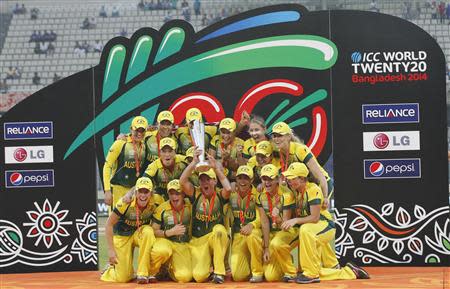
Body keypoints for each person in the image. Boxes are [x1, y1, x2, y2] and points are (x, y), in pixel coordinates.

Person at [281, 163, 370, 283]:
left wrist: (295, 220)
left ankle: (310, 274)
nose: (289, 181)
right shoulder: (295, 191)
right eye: (288, 178)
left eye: (292, 178)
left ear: (302, 179)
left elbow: (315, 218)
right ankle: (350, 272)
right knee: (316, 269)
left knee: (305, 229)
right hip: (313, 228)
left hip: (325, 225)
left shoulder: (313, 189)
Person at [180, 149, 231, 283]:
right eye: (202, 180)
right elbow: (182, 181)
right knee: (199, 276)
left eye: (208, 179)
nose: (204, 183)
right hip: (199, 241)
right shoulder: (195, 193)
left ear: (214, 181)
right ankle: (209, 267)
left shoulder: (220, 194)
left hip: (216, 237)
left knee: (219, 230)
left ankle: (219, 273)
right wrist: (193, 163)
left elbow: (229, 188)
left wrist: (216, 168)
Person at [101, 177, 164, 283]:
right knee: (123, 278)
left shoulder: (157, 201)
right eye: (140, 191)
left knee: (148, 231)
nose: (143, 195)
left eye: (146, 191)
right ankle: (110, 270)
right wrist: (111, 250)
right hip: (122, 235)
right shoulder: (125, 203)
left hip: (139, 233)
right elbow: (108, 224)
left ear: (151, 193)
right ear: (135, 192)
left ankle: (143, 274)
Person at [271, 121, 332, 207]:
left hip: (321, 185)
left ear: (288, 136)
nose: (276, 139)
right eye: (274, 136)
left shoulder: (300, 150)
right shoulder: (280, 152)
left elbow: (319, 176)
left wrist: (325, 197)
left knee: (319, 217)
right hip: (306, 188)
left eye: (280, 136)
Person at [256, 164, 297, 282]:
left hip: (289, 230)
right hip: (274, 234)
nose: (267, 182)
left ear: (278, 180)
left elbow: (285, 224)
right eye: (264, 179)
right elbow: (264, 222)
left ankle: (291, 272)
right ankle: (283, 257)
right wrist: (267, 248)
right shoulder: (261, 197)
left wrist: (277, 218)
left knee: (276, 243)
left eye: (270, 179)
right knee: (270, 277)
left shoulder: (286, 195)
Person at [149, 179, 193, 282]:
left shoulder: (190, 206)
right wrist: (169, 232)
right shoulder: (162, 208)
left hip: (183, 245)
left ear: (183, 194)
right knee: (161, 251)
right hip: (167, 242)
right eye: (171, 193)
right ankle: (152, 271)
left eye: (177, 193)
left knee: (185, 277)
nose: (174, 197)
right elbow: (153, 230)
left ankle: (169, 269)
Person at [103, 116, 148, 208]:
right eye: (137, 130)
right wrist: (107, 191)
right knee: (115, 221)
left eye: (142, 131)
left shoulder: (144, 144)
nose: (139, 133)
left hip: (134, 190)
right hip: (118, 189)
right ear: (131, 129)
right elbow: (107, 166)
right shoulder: (120, 143)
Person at [229, 165, 263, 282]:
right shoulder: (231, 193)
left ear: (252, 180)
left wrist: (252, 225)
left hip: (254, 232)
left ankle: (257, 271)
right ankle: (249, 263)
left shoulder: (258, 194)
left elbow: (262, 218)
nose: (242, 181)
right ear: (236, 180)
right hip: (238, 235)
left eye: (246, 178)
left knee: (252, 236)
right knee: (238, 276)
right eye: (240, 178)